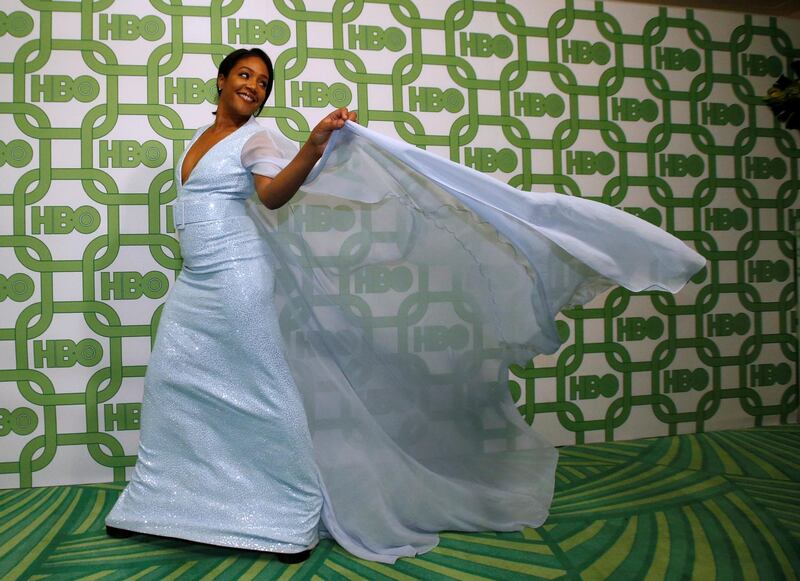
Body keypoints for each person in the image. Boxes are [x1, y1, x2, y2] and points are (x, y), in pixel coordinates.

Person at [106, 47, 705, 564]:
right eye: (244, 74)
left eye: (263, 82)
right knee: (173, 384)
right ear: (221, 79)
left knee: (262, 392)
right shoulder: (201, 135)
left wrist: (313, 146)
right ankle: (167, 502)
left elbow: (272, 195)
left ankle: (286, 513)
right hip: (195, 283)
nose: (253, 86)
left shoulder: (255, 137)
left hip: (237, 280)